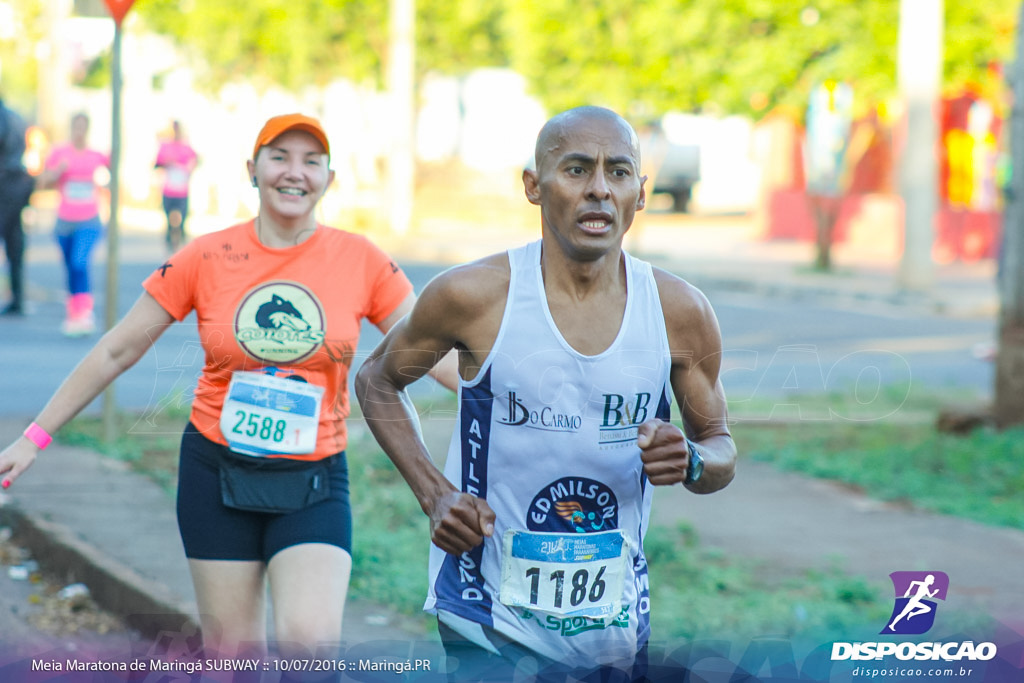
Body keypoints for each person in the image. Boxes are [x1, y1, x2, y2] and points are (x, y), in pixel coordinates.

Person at [0, 113, 454, 665]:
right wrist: (33, 438)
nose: (295, 173)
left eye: (312, 161)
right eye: (279, 157)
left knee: (310, 654)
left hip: (312, 482)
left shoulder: (362, 260)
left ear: (329, 179)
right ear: (252, 169)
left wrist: (521, 391)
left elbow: (433, 355)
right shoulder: (206, 256)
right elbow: (119, 348)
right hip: (215, 475)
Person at [355, 105, 737, 681]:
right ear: (534, 186)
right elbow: (377, 379)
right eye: (578, 170)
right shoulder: (473, 296)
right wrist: (435, 494)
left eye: (619, 172)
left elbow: (721, 450)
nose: (600, 191)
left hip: (613, 620)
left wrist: (690, 459)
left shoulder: (679, 312)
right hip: (485, 611)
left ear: (640, 191)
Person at [35, 112, 110, 336]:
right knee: (70, 266)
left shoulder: (95, 155)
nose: (78, 132)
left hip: (89, 220)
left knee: (80, 262)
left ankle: (84, 313)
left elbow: (113, 170)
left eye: (82, 128)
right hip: (64, 222)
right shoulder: (59, 153)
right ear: (71, 129)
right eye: (75, 127)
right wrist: (58, 171)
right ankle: (73, 311)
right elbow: (42, 181)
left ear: (87, 129)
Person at [0, 96, 35, 316]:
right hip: (16, 182)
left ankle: (17, 297)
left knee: (13, 240)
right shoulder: (15, 115)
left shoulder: (6, 117)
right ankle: (17, 297)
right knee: (14, 242)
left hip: (6, 182)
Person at [154, 120, 199, 252]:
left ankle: (181, 243)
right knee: (169, 220)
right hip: (168, 190)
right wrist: (166, 164)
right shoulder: (165, 146)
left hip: (182, 191)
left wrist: (190, 168)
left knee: (182, 219)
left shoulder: (186, 147)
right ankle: (170, 245)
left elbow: (197, 160)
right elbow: (156, 164)